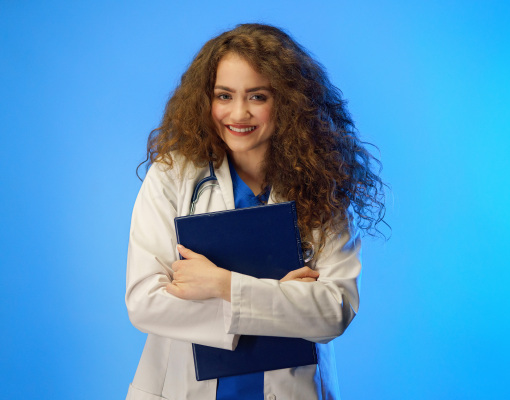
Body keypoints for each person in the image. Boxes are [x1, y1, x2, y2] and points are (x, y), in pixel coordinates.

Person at [125, 23, 386, 400]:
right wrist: (282, 303)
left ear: (289, 101)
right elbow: (145, 303)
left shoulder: (321, 186)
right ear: (206, 100)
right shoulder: (172, 176)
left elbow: (334, 311)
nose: (239, 113)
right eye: (224, 96)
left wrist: (222, 285)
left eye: (258, 96)